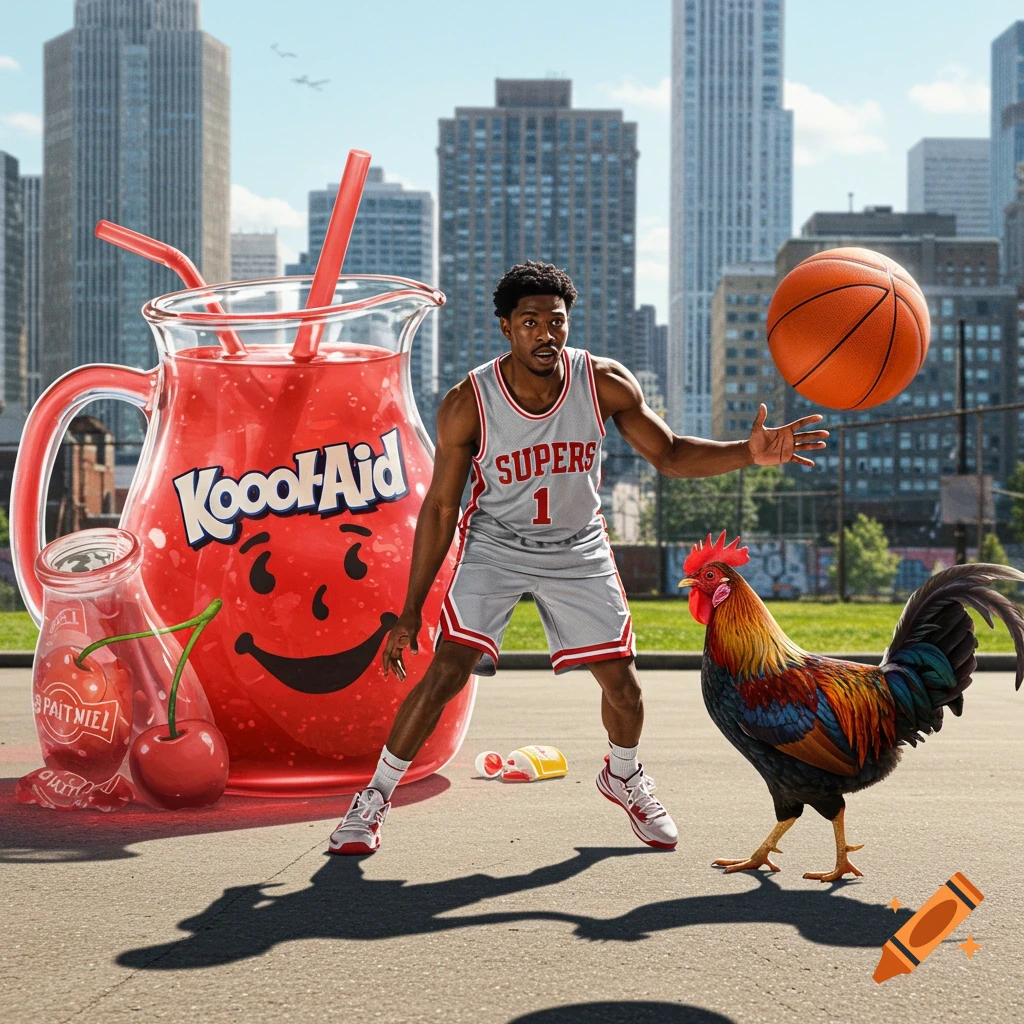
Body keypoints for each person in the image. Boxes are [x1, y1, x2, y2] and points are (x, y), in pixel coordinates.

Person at [329, 261, 828, 855]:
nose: (546, 334)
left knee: (624, 686)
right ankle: (373, 800)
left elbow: (668, 455)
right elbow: (440, 508)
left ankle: (622, 775)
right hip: (497, 543)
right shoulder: (469, 402)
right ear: (506, 329)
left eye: (556, 322)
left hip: (577, 546)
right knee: (446, 671)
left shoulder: (604, 382)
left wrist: (748, 454)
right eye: (531, 323)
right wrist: (411, 608)